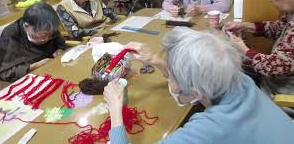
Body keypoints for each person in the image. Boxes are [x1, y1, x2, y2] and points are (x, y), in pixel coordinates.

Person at [104, 27, 294, 144]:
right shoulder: (239, 79)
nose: (169, 78)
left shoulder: (208, 129)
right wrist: (155, 59)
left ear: (195, 91)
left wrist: (115, 109)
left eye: (172, 75)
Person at [224, 0, 294, 99]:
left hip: (281, 97)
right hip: (273, 82)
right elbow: (278, 28)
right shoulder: (290, 13)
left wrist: (242, 47)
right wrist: (245, 26)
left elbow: (272, 68)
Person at [0, 2, 67, 82]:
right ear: (26, 26)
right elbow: (4, 73)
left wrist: (60, 50)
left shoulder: (49, 27)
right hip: (33, 78)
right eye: (42, 36)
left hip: (56, 68)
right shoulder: (11, 34)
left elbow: (62, 45)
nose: (47, 38)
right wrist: (34, 66)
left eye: (50, 35)